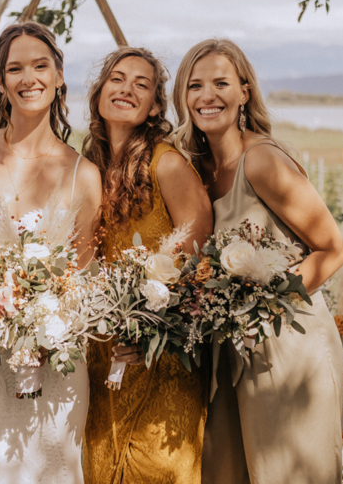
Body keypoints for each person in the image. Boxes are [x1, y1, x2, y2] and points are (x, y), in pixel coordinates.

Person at [171, 39, 343, 484]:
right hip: (229, 355)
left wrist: (262, 307)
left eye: (221, 83)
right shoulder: (197, 169)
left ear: (244, 92)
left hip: (289, 351)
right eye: (195, 85)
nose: (207, 95)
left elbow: (332, 249)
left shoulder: (263, 160)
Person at [0, 21, 102, 483]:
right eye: (15, 68)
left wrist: (39, 327)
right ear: (1, 82)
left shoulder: (83, 175)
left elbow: (83, 279)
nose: (28, 77)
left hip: (53, 367)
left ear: (58, 78)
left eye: (40, 65)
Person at [81, 47, 213, 484]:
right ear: (100, 91)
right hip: (102, 353)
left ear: (155, 105)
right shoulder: (87, 168)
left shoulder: (167, 164)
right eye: (117, 78)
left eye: (142, 84)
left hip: (162, 357)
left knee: (158, 469)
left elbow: (198, 268)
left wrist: (148, 334)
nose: (126, 89)